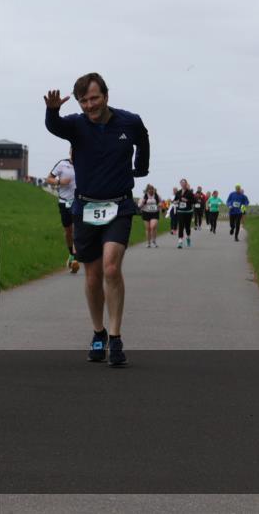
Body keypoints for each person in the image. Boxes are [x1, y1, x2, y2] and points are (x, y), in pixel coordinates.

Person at [44, 72, 150, 368]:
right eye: (83, 101)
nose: (90, 105)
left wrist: (140, 167)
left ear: (106, 96)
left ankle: (115, 338)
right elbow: (55, 126)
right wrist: (52, 110)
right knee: (92, 276)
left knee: (111, 267)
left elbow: (143, 139)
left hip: (119, 205)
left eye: (94, 98)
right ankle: (99, 333)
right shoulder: (77, 126)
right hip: (86, 208)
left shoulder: (129, 121)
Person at [46, 145, 80, 273]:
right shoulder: (62, 164)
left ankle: (75, 259)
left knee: (77, 229)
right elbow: (48, 178)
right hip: (64, 202)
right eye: (73, 151)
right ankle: (71, 254)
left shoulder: (84, 163)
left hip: (79, 202)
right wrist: (59, 182)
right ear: (70, 152)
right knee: (68, 231)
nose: (74, 154)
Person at [174, 179, 195, 248]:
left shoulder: (190, 192)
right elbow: (175, 200)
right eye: (182, 183)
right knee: (181, 226)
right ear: (180, 184)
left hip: (188, 211)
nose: (183, 184)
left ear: (186, 184)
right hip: (180, 211)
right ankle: (180, 241)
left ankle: (188, 237)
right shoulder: (178, 192)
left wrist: (187, 200)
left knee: (187, 227)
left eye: (184, 183)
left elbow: (194, 201)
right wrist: (176, 202)